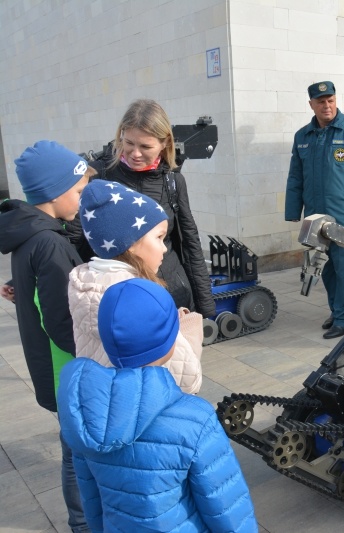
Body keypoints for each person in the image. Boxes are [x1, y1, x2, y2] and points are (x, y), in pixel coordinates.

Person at [58, 278, 258, 532]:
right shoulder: (196, 419)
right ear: (171, 340)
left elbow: (91, 500)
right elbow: (226, 507)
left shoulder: (83, 414)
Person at [0, 140, 93, 532]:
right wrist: (96, 355)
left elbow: (41, 293)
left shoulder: (32, 235)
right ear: (56, 193)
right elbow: (60, 321)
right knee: (78, 456)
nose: (82, 198)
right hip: (67, 371)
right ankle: (84, 524)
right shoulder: (50, 243)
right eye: (78, 191)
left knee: (73, 450)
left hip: (54, 372)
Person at [67, 99, 215, 318]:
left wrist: (205, 305)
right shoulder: (98, 176)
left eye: (145, 146)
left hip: (170, 293)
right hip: (116, 299)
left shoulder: (173, 181)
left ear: (164, 143)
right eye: (129, 143)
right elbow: (72, 239)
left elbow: (189, 243)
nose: (135, 153)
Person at [68, 179, 203, 394]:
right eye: (159, 237)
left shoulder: (87, 283)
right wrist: (189, 329)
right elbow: (187, 380)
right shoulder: (136, 298)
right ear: (129, 244)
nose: (164, 248)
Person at [285, 81, 344, 339]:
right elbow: (296, 177)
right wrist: (294, 210)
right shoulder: (303, 136)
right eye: (320, 102)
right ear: (311, 105)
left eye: (330, 100)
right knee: (324, 266)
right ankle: (336, 310)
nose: (326, 106)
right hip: (316, 219)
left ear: (335, 100)